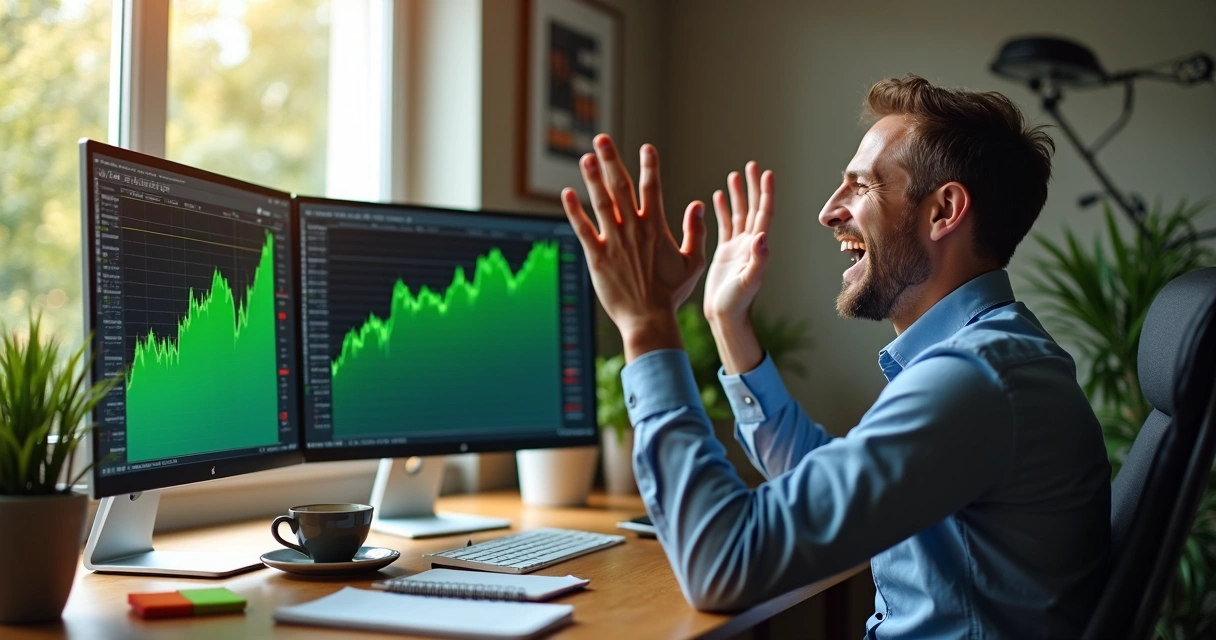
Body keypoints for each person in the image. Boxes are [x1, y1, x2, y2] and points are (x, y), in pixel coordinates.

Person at [558, 75, 1111, 639]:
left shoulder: (975, 380)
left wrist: (648, 324)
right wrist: (729, 325)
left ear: (944, 210)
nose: (828, 211)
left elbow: (721, 564)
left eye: (862, 186)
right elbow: (830, 488)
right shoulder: (987, 359)